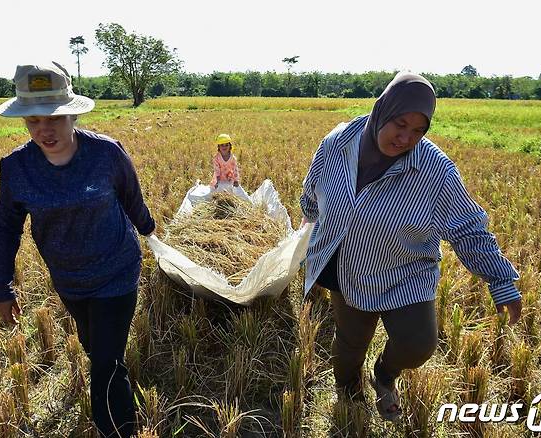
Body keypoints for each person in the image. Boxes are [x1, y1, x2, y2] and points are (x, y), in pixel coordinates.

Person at [299, 72, 522, 422]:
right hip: (347, 267)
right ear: (381, 111)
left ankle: (385, 374)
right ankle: (349, 394)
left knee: (418, 344)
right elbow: (313, 188)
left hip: (405, 270)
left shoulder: (435, 171)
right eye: (399, 124)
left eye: (418, 131)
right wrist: (311, 215)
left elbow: (468, 227)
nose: (405, 138)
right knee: (349, 347)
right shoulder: (337, 143)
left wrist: (500, 280)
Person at [0, 62, 155, 437]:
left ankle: (117, 429)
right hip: (69, 280)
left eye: (53, 118)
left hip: (117, 271)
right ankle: (118, 385)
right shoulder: (16, 167)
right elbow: (6, 228)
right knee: (93, 346)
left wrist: (150, 232)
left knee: (105, 363)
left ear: (72, 113)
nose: (43, 130)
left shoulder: (106, 154)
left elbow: (132, 198)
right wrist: (2, 287)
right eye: (32, 121)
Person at [209, 133, 249, 201]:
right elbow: (217, 171)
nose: (224, 147)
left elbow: (235, 170)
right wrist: (217, 181)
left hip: (229, 177)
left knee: (236, 191)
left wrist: (236, 180)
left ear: (230, 146)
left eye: (226, 145)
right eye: (222, 145)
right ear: (219, 147)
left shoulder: (233, 158)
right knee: (215, 192)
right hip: (219, 178)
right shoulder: (216, 158)